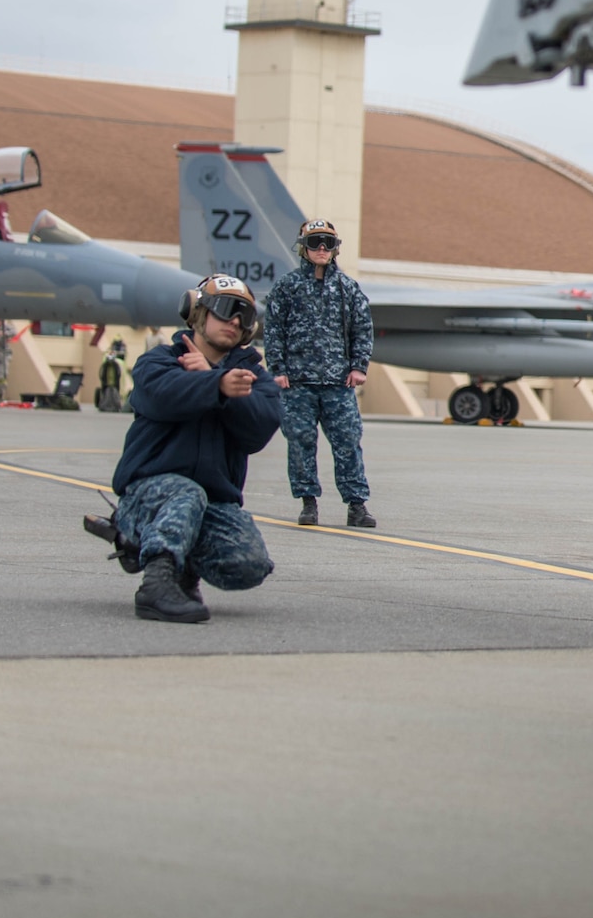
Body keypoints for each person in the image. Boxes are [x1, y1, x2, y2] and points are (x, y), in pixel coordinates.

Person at [83, 274, 281, 623]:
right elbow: (159, 397)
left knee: (250, 563)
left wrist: (217, 382)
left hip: (211, 503)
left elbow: (259, 429)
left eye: (245, 316)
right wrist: (214, 384)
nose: (235, 321)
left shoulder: (252, 376)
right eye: (225, 310)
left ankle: (178, 567)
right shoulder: (159, 361)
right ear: (198, 313)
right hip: (151, 492)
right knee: (186, 493)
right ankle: (155, 586)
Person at [263, 219, 377, 528]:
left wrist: (358, 366)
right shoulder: (287, 286)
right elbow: (273, 329)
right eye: (315, 242)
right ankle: (308, 502)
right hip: (297, 383)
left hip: (338, 383)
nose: (322, 248)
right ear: (303, 247)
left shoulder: (348, 288)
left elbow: (362, 329)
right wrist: (278, 368)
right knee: (300, 442)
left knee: (348, 441)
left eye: (327, 242)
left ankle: (356, 505)